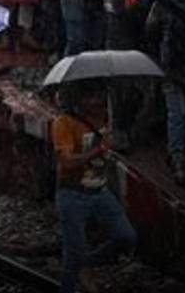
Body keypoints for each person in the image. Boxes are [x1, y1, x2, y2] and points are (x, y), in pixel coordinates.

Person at [88, 0, 162, 151]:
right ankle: (119, 128)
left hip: (149, 15)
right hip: (118, 16)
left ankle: (141, 125)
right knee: (120, 74)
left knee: (149, 72)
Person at [50, 83, 137, 293]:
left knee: (126, 236)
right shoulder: (63, 123)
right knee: (73, 255)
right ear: (79, 100)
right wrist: (97, 151)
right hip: (73, 194)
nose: (98, 101)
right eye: (92, 97)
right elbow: (67, 162)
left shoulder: (102, 119)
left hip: (100, 191)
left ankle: (87, 263)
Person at [146, 0, 185, 186]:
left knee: (178, 113)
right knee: (182, 113)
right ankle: (178, 155)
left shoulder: (161, 4)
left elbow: (150, 31)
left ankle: (177, 155)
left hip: (172, 65)